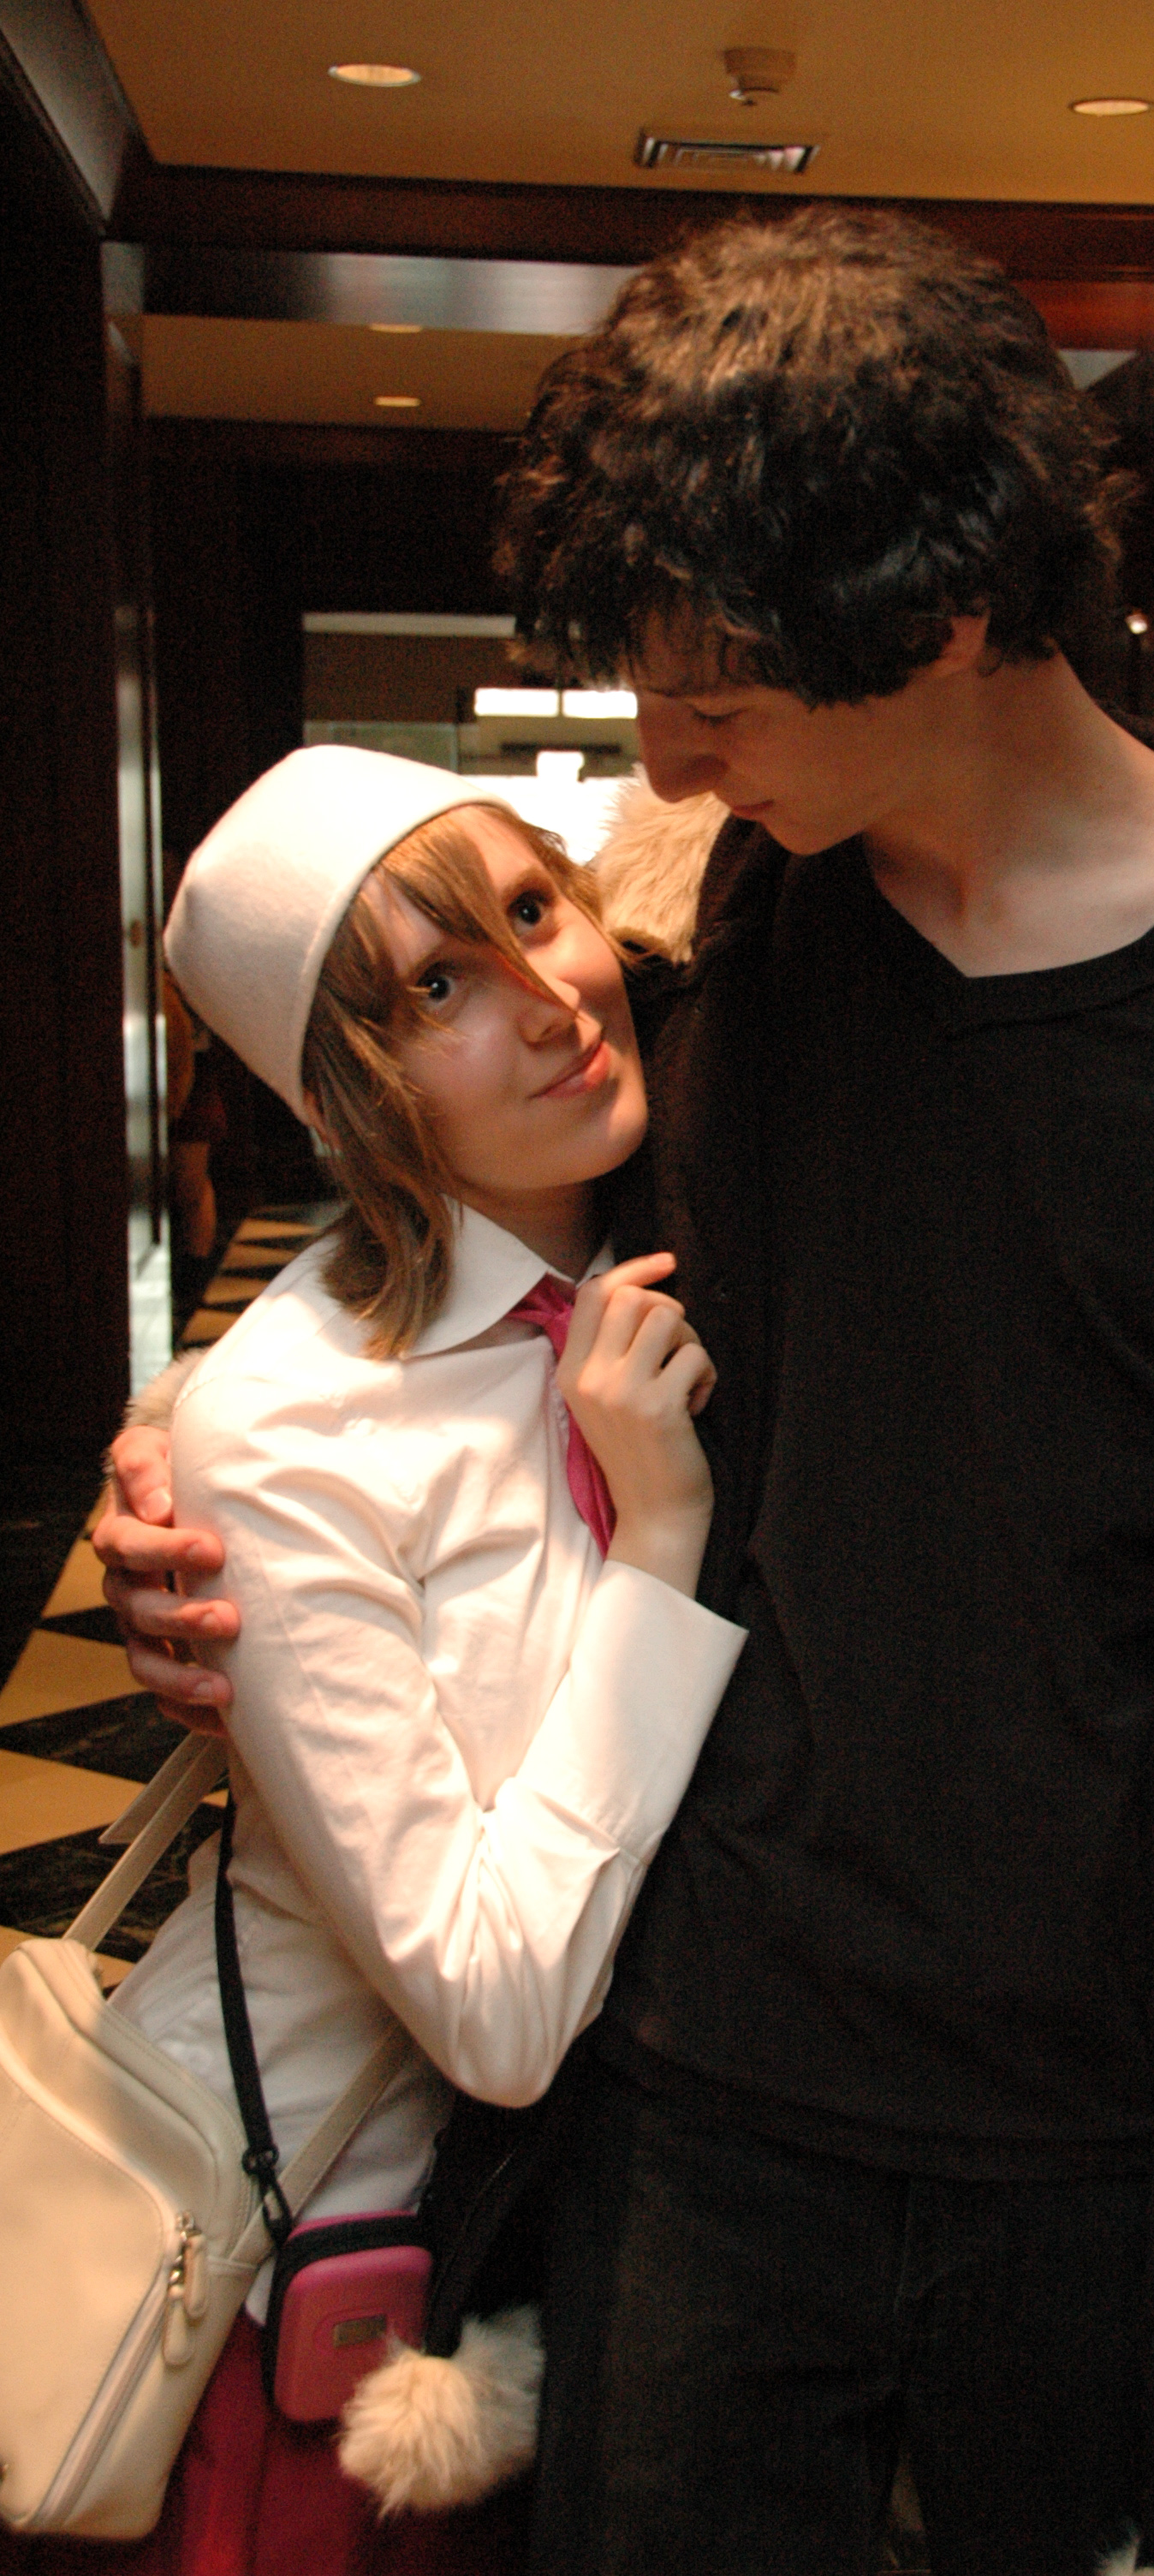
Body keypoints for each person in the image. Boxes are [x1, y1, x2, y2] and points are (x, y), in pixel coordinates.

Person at [103, 211, 1154, 2576]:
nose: (663, 756)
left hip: (1115, 2145)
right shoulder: (711, 944)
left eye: (717, 697)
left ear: (954, 615)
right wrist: (198, 1478)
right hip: (701, 2109)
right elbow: (461, 1275)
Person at [68, 744, 744, 2574]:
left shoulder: (689, 1244)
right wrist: (659, 1540)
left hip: (624, 2253)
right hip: (319, 2288)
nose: (549, 1001)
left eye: (535, 910)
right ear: (350, 1092)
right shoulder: (296, 1430)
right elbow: (495, 2012)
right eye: (438, 988)